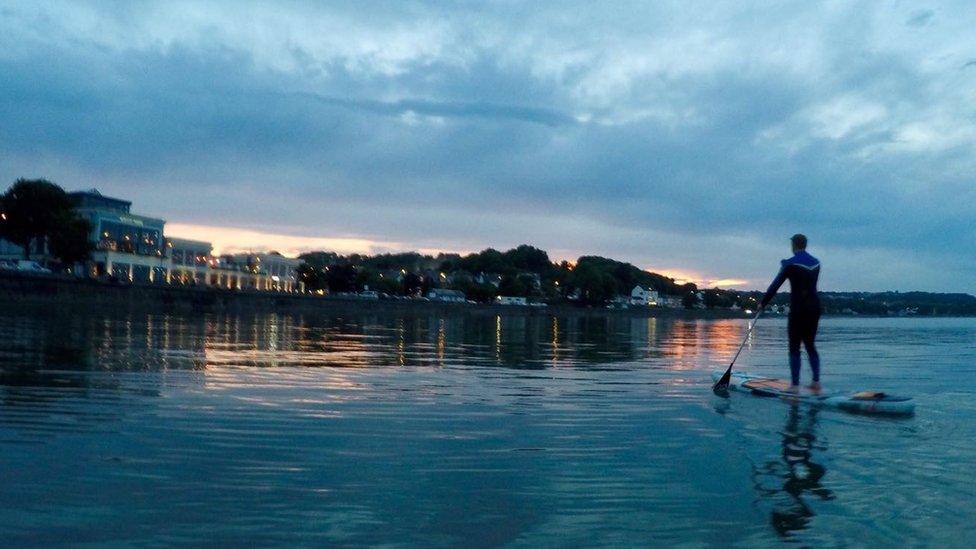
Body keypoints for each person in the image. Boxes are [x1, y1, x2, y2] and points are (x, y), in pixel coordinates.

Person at [760, 234, 822, 391]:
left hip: (798, 309)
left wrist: (763, 303)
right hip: (814, 308)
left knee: (794, 346)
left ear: (794, 245)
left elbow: (775, 285)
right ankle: (816, 383)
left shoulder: (790, 264)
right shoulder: (816, 263)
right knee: (810, 345)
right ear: (805, 245)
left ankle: (794, 386)